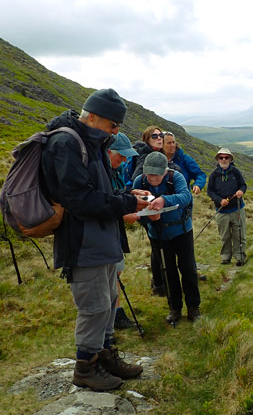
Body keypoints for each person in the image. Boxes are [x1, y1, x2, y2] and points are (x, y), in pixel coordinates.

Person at [41, 89, 151, 392]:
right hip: (83, 243)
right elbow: (82, 201)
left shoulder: (95, 143)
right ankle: (85, 368)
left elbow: (103, 191)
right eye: (113, 125)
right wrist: (129, 205)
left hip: (104, 241)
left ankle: (105, 355)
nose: (116, 131)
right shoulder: (65, 144)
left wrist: (129, 196)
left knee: (108, 303)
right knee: (93, 307)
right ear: (92, 116)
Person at [133, 152, 202, 323]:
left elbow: (186, 197)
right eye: (149, 174)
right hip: (157, 235)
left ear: (165, 171)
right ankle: (175, 308)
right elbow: (133, 206)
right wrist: (147, 217)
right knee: (167, 270)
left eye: (156, 174)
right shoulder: (139, 182)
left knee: (188, 269)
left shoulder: (175, 177)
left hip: (181, 231)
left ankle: (193, 307)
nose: (152, 178)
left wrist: (164, 200)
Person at [162, 131, 207, 281]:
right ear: (161, 144)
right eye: (169, 142)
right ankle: (161, 280)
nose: (172, 145)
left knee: (185, 243)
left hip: (183, 208)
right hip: (162, 208)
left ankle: (190, 272)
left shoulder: (183, 158)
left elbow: (200, 174)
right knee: (162, 247)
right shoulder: (156, 159)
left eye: (173, 142)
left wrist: (198, 185)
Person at [107, 132, 140, 329]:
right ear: (108, 151)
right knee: (109, 276)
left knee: (116, 273)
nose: (125, 159)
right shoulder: (100, 173)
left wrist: (131, 193)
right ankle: (111, 318)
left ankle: (116, 314)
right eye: (121, 155)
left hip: (114, 233)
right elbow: (100, 204)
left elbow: (115, 195)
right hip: (105, 236)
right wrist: (123, 215)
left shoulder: (115, 170)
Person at [207, 148, 247, 266]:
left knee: (239, 234)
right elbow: (210, 191)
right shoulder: (214, 175)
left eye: (226, 157)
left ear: (230, 159)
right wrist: (220, 200)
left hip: (237, 209)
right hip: (221, 211)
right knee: (224, 236)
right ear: (218, 159)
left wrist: (240, 191)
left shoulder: (235, 172)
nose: (224, 160)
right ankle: (226, 257)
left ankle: (240, 257)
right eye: (221, 157)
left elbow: (243, 185)